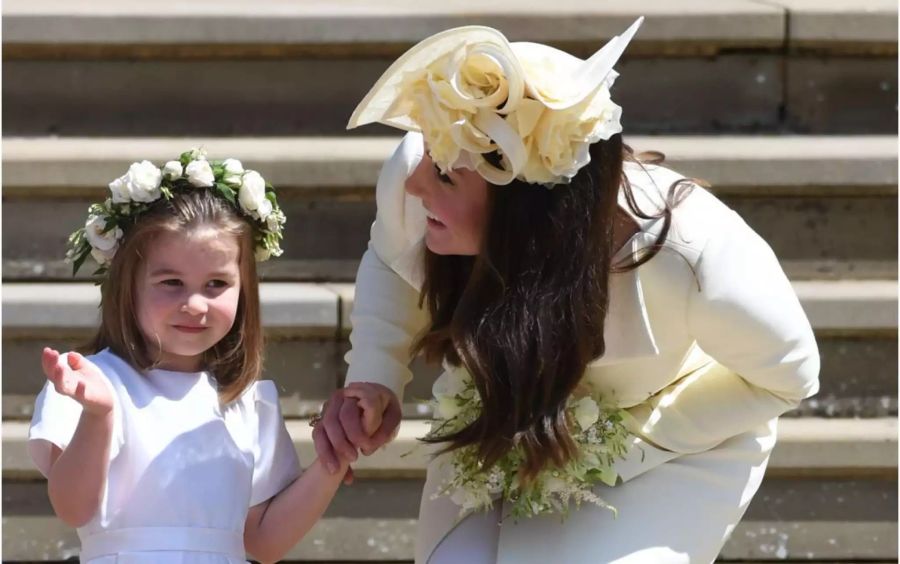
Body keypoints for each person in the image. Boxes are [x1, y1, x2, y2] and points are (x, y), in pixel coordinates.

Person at [314, 18, 820, 564]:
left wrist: (614, 446)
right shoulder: (419, 171)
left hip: (672, 445)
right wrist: (375, 375)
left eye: (444, 177)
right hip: (508, 414)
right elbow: (392, 263)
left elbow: (789, 377)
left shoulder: (692, 253)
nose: (416, 186)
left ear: (525, 207)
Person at [29, 150, 378, 563]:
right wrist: (98, 416)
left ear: (243, 288)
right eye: (171, 282)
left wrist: (332, 462)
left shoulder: (247, 400)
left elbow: (263, 541)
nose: (195, 304)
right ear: (128, 284)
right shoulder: (91, 385)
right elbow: (73, 507)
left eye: (216, 284)